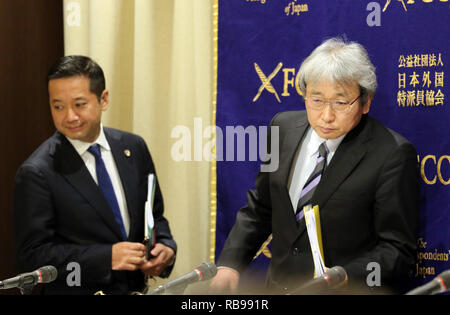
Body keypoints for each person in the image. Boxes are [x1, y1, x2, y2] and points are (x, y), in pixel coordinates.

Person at [210, 37, 420, 294]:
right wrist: (230, 265)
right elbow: (261, 208)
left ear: (366, 102)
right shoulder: (283, 128)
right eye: (316, 100)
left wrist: (343, 277)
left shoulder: (392, 155)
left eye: (341, 103)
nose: (326, 115)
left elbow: (397, 250)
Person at [13, 56, 176, 295]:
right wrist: (106, 258)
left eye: (79, 104)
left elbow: (154, 214)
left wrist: (165, 246)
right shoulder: (37, 172)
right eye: (58, 106)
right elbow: (33, 257)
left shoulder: (133, 147)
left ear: (104, 99)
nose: (69, 116)